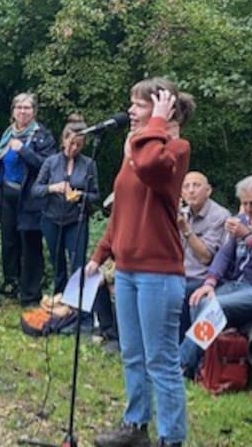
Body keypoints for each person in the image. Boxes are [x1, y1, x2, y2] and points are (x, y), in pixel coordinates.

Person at [86, 77, 194, 447]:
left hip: (159, 274)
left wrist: (158, 123)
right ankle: (135, 427)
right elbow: (121, 212)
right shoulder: (134, 148)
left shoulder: (174, 149)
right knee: (132, 354)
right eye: (131, 103)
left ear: (164, 107)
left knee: (160, 361)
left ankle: (171, 438)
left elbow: (151, 167)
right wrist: (101, 254)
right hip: (129, 271)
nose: (130, 110)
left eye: (140, 104)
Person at [182, 174, 252, 378]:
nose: (249, 210)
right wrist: (210, 282)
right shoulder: (242, 218)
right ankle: (203, 365)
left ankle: (182, 365)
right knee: (198, 299)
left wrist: (248, 237)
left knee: (214, 307)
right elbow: (225, 255)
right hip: (238, 284)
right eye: (244, 204)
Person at [0, 93, 57, 305]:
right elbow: (1, 166)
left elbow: (47, 166)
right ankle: (12, 284)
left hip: (30, 199)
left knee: (30, 246)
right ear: (13, 111)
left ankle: (31, 293)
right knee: (9, 242)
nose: (22, 111)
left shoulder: (42, 136)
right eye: (18, 107)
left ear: (34, 112)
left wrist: (24, 151)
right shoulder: (8, 134)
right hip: (7, 195)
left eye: (27, 108)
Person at [31, 114, 99, 294]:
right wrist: (52, 188)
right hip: (51, 219)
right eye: (71, 143)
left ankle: (78, 304)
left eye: (79, 145)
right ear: (64, 140)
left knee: (78, 263)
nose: (74, 148)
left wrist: (81, 195)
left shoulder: (89, 164)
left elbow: (95, 195)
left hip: (76, 220)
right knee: (57, 262)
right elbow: (35, 190)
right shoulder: (51, 162)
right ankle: (59, 299)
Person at [177, 171, 230, 343]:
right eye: (186, 186)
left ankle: (183, 359)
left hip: (204, 278)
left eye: (196, 185)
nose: (191, 190)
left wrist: (186, 230)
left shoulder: (219, 216)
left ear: (208, 191)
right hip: (179, 274)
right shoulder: (181, 213)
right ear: (181, 193)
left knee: (180, 293)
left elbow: (205, 257)